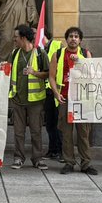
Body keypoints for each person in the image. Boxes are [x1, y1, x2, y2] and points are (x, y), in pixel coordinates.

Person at [49, 26, 97, 175]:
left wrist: (80, 61)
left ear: (80, 40)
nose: (73, 39)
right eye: (70, 36)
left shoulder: (85, 53)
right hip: (64, 98)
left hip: (82, 99)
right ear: (66, 39)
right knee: (67, 133)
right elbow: (51, 76)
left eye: (76, 36)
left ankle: (86, 163)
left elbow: (92, 74)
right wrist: (56, 93)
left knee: (83, 133)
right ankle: (69, 162)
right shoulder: (58, 54)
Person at [8, 23, 50, 171]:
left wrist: (34, 72)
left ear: (24, 38)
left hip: (36, 100)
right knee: (18, 132)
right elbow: (7, 71)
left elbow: (48, 74)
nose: (14, 40)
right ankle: (18, 158)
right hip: (17, 99)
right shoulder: (14, 54)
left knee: (36, 131)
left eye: (16, 37)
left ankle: (37, 159)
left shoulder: (40, 53)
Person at [43, 30, 63, 160]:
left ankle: (61, 151)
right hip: (47, 91)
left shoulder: (56, 45)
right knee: (49, 123)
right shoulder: (39, 49)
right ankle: (52, 150)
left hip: (58, 91)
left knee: (59, 124)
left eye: (36, 32)